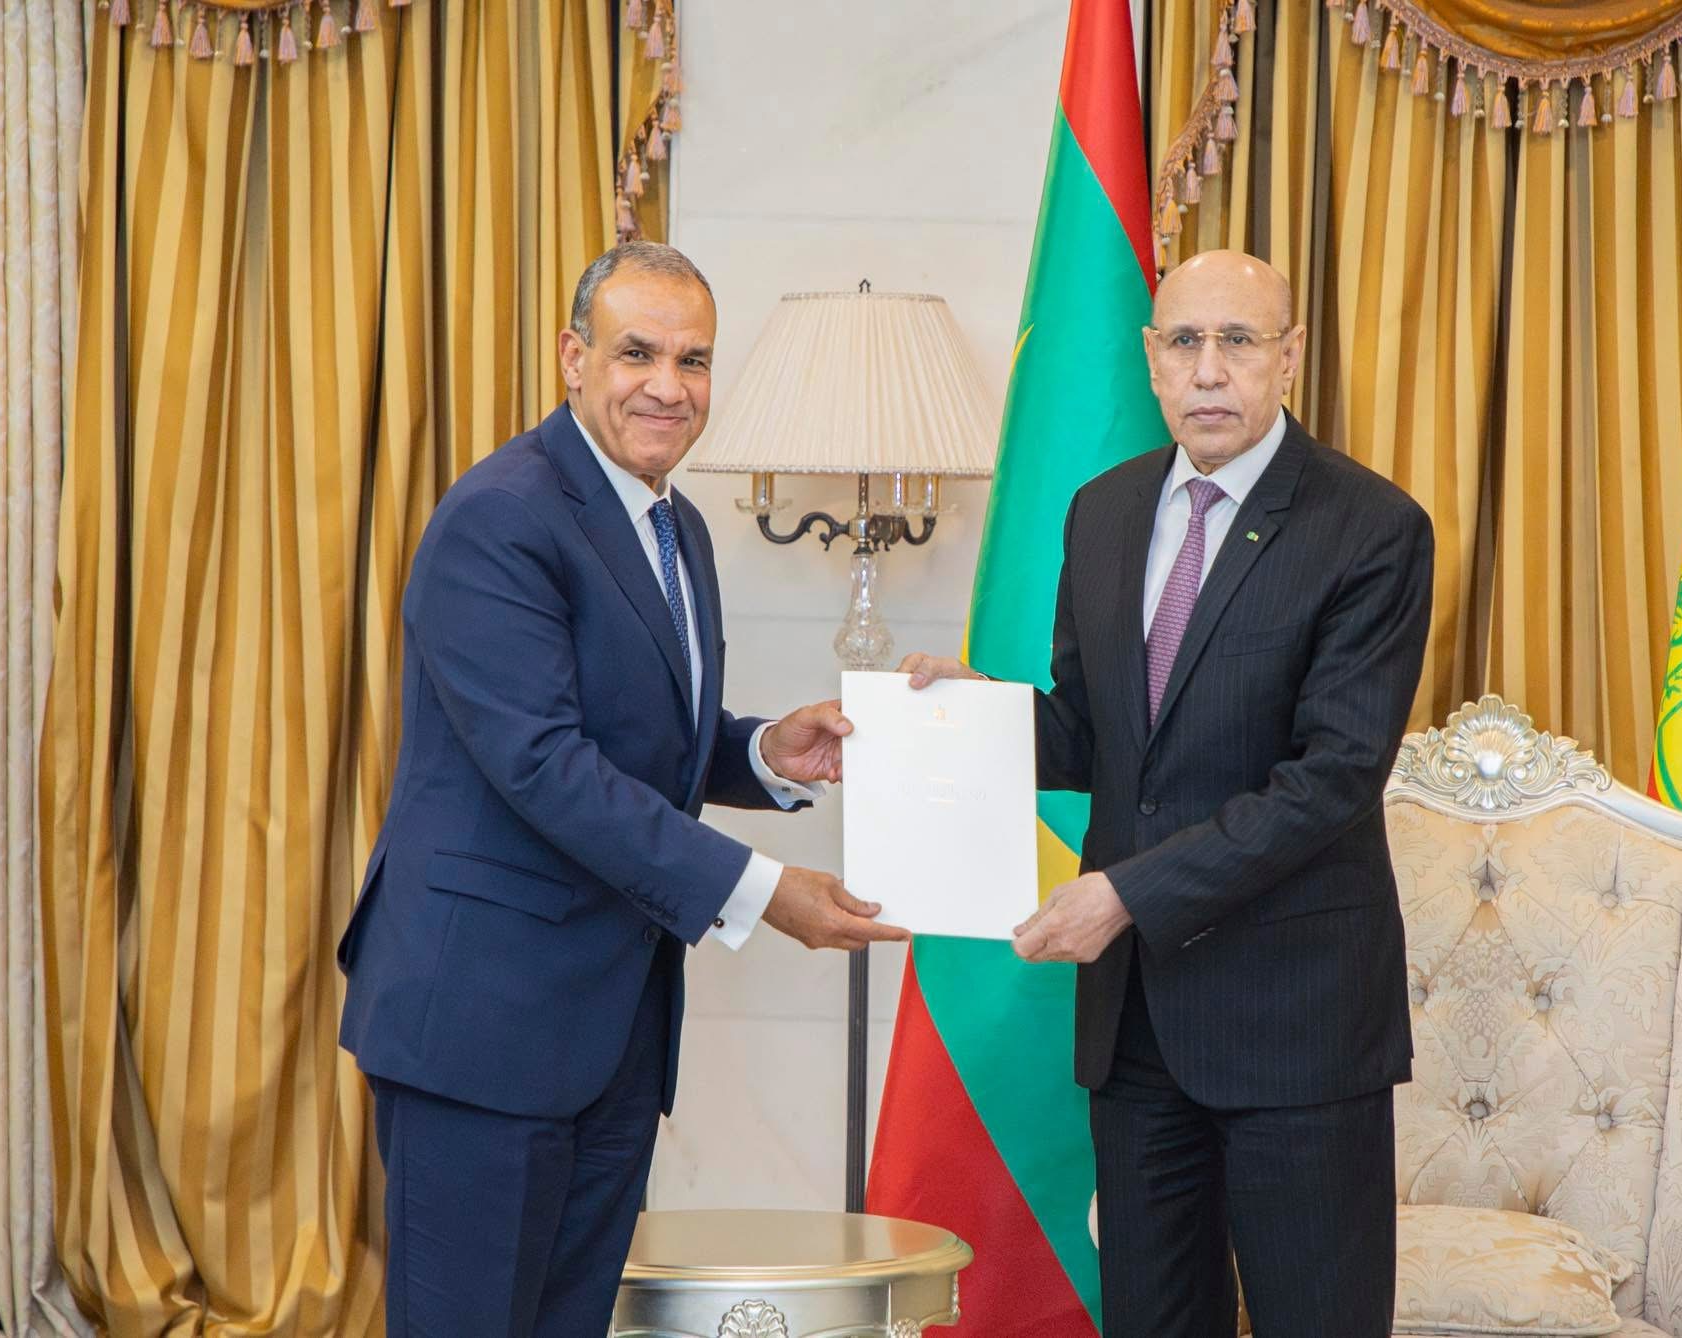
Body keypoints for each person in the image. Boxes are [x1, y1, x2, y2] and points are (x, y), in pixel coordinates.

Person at [338, 241, 907, 1337]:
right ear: (573, 357)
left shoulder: (674, 524)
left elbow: (637, 741)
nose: (667, 386)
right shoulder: (501, 515)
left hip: (609, 1033)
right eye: (637, 353)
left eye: (693, 361)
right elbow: (544, 765)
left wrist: (760, 753)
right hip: (482, 1026)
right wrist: (762, 892)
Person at [901, 250, 1433, 1337]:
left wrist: (1125, 895)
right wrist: (976, 718)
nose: (1209, 370)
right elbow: (1096, 733)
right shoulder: (1102, 511)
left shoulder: (1371, 528)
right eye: (1184, 342)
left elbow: (1331, 778)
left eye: (1238, 341)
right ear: (1150, 360)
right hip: (1137, 1031)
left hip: (1295, 1028)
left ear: (1289, 355)